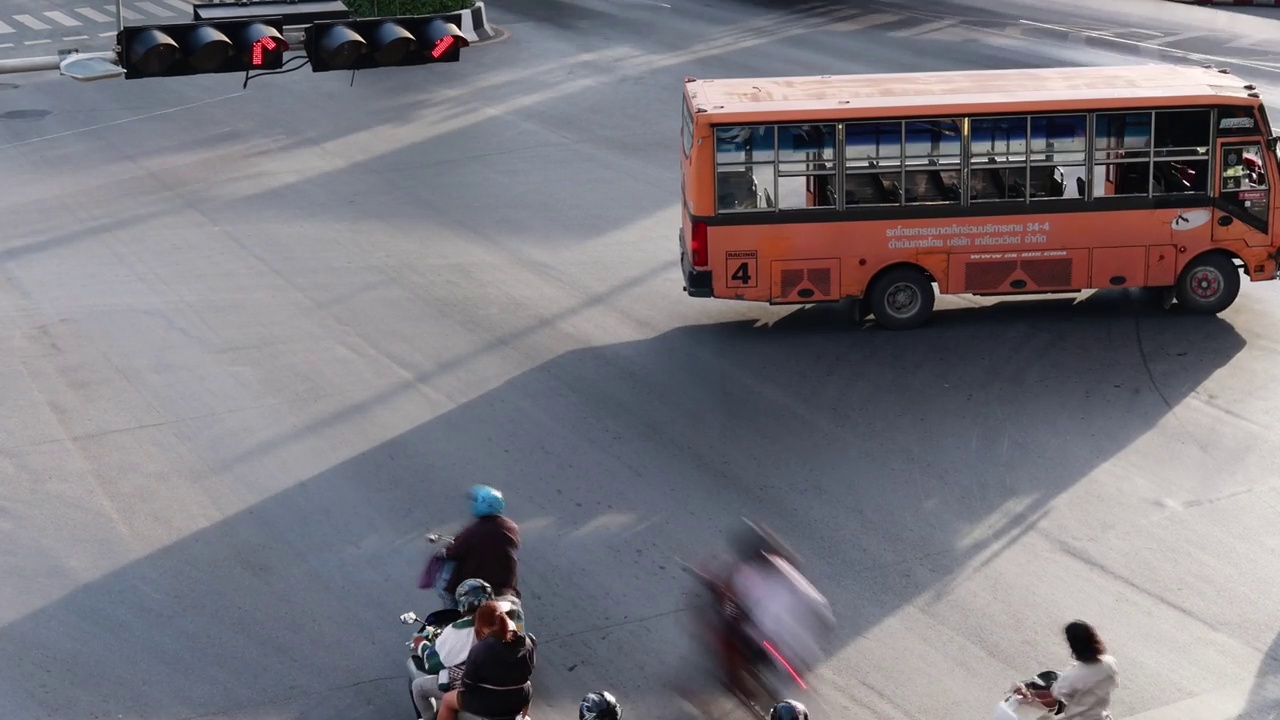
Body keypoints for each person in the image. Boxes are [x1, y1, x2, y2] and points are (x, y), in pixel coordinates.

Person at [714, 520, 835, 698]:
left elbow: (725, 595)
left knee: (728, 629)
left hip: (773, 650)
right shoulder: (789, 569)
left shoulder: (745, 573)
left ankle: (736, 683)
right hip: (809, 652)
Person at [411, 580, 526, 720]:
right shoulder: (515, 632)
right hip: (513, 690)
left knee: (422, 688)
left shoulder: (466, 637)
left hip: (482, 693)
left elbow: (432, 663)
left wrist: (421, 644)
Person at [437, 601, 537, 720]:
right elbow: (530, 670)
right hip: (521, 697)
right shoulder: (525, 641)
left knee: (447, 700)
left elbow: (468, 684)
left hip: (489, 703)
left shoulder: (480, 649)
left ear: (482, 625)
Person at [1016, 620, 1119, 720]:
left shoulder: (1073, 675)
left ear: (1073, 646)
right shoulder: (1110, 663)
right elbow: (1113, 685)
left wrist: (1030, 695)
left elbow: (1052, 700)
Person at [443, 485, 522, 600]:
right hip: (506, 587)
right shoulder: (511, 527)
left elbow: (455, 552)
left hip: (476, 589)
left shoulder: (474, 531)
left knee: (450, 599)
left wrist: (446, 552)